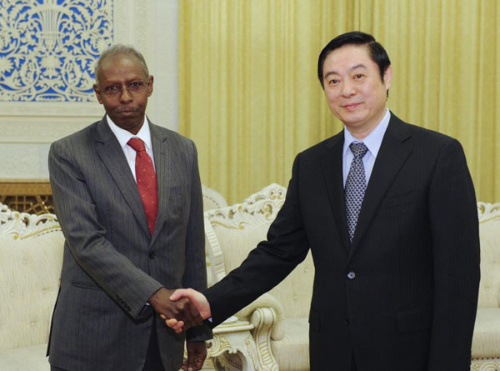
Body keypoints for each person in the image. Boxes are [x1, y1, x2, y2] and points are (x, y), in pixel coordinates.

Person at [167, 31, 481, 371]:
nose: (346, 90)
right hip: (333, 350)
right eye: (333, 81)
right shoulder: (312, 165)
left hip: (407, 352)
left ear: (386, 75)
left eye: (358, 76)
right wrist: (208, 303)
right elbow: (278, 252)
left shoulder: (437, 156)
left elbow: (458, 277)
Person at [47, 44, 210, 371]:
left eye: (134, 85)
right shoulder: (69, 153)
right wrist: (155, 294)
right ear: (98, 94)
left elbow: (191, 243)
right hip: (91, 337)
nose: (124, 97)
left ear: (150, 85)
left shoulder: (182, 151)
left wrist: (197, 331)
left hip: (163, 339)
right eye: (112, 89)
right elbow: (86, 243)